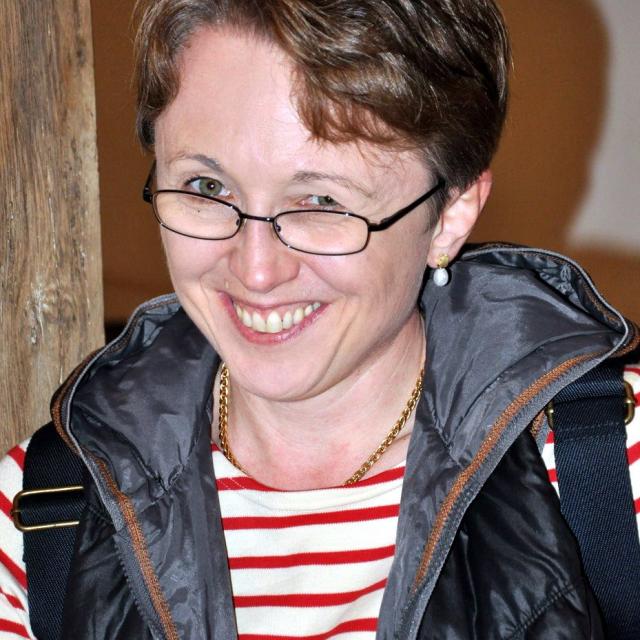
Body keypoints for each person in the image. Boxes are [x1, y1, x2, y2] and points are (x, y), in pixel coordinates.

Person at [1, 0, 639, 638]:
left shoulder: (614, 470)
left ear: (449, 215)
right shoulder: (37, 519)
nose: (256, 270)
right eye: (207, 187)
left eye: (321, 201)